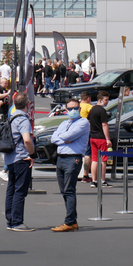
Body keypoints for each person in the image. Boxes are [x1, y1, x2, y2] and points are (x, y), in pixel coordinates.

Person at [50, 98, 90, 232]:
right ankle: (72, 220)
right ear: (66, 110)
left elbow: (70, 136)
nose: (73, 111)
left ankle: (69, 221)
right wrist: (64, 139)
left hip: (73, 159)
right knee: (64, 191)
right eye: (70, 108)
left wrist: (64, 138)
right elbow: (54, 138)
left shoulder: (83, 122)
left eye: (75, 108)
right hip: (61, 158)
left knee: (69, 190)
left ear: (79, 109)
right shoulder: (64, 123)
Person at [4, 92, 35, 231]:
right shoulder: (23, 120)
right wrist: (32, 153)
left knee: (11, 188)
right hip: (21, 157)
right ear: (27, 105)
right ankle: (17, 221)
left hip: (10, 158)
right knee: (20, 190)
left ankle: (10, 219)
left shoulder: (11, 118)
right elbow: (27, 139)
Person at [87, 91, 112, 188]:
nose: (107, 102)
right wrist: (108, 139)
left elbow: (88, 121)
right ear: (100, 100)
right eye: (106, 100)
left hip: (93, 136)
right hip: (101, 137)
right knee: (103, 160)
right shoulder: (102, 111)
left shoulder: (92, 109)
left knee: (94, 159)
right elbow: (104, 125)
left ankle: (94, 181)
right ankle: (103, 180)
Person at [79, 92, 94, 183]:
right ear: (88, 98)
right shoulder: (89, 107)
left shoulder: (77, 106)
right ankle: (85, 174)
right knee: (88, 154)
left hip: (77, 131)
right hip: (87, 131)